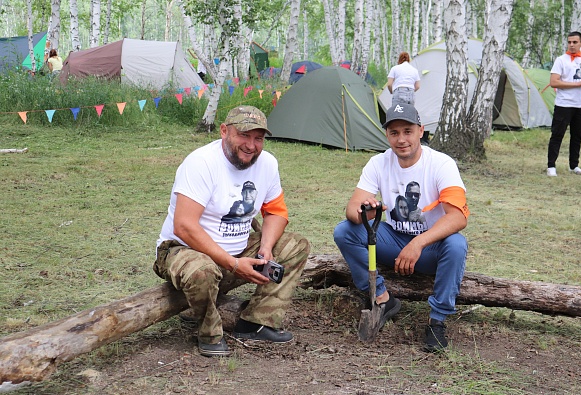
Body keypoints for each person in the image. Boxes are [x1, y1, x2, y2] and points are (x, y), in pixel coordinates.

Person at [154, 105, 310, 357]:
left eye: (258, 138)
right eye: (244, 136)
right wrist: (234, 264)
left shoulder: (267, 164)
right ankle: (208, 331)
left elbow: (277, 213)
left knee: (296, 246)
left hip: (236, 252)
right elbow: (183, 226)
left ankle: (256, 322)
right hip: (183, 251)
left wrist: (266, 249)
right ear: (224, 131)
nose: (251, 145)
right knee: (201, 270)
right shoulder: (201, 163)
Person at [334, 103, 469, 352]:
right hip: (393, 240)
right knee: (344, 231)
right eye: (394, 133)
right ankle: (382, 298)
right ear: (387, 135)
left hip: (430, 248)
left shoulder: (442, 164)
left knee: (457, 244)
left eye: (407, 131)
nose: (401, 139)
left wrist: (418, 243)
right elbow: (352, 210)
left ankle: (437, 320)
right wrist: (367, 211)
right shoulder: (378, 163)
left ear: (420, 131)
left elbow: (458, 217)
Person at [547, 31, 581, 177]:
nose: (572, 45)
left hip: (580, 104)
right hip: (564, 103)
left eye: (575, 42)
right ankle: (551, 166)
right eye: (569, 42)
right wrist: (577, 84)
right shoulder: (561, 60)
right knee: (557, 134)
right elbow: (553, 82)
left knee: (577, 135)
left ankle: (574, 165)